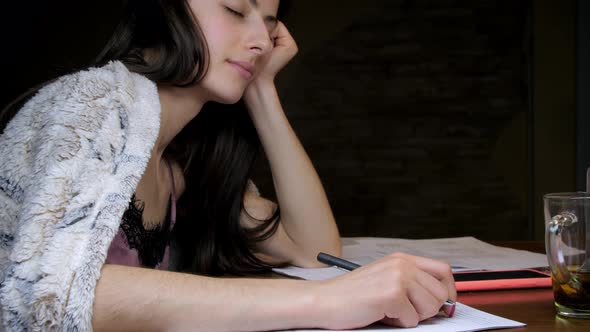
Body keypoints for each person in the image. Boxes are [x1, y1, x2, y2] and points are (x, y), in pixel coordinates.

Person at [0, 0, 457, 330]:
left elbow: (311, 247)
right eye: (236, 11)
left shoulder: (181, 156)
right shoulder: (94, 102)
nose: (260, 40)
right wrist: (323, 301)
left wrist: (261, 91)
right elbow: (48, 296)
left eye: (270, 23)